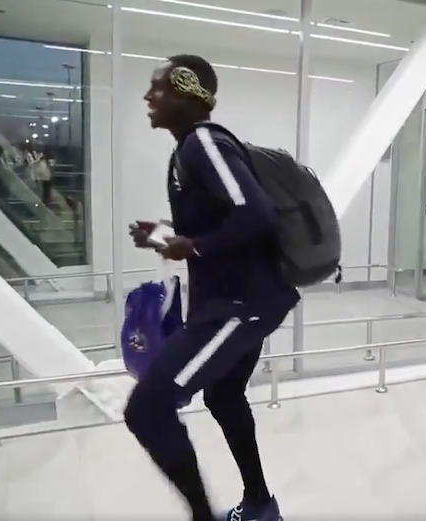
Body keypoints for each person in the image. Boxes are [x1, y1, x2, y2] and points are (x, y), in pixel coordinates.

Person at [127, 54, 296, 521]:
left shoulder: (202, 143)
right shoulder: (190, 149)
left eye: (157, 87)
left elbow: (257, 215)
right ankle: (261, 505)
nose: (148, 97)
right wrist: (166, 234)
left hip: (238, 306)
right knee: (222, 395)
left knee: (148, 408)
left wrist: (194, 247)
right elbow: (225, 220)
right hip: (236, 300)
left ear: (186, 91)